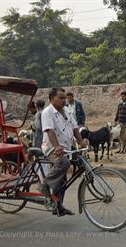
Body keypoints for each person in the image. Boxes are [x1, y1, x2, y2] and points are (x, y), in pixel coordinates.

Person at [40, 88, 86, 217]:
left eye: (64, 98)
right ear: (51, 98)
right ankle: (45, 184)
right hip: (51, 148)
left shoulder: (66, 110)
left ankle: (58, 207)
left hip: (66, 147)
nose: (63, 100)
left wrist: (81, 141)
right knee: (64, 163)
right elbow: (49, 130)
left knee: (63, 180)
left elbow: (75, 127)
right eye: (60, 98)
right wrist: (56, 147)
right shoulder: (47, 112)